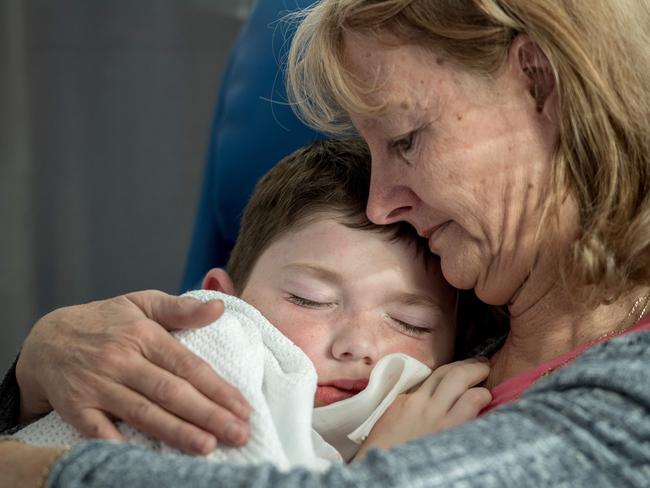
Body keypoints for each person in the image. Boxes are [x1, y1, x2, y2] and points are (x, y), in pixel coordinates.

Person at [2, 0, 650, 486]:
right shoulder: (469, 310)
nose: (380, 202)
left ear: (539, 83)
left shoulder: (630, 389)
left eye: (405, 140)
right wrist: (29, 379)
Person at [9, 139, 487, 467]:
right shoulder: (217, 346)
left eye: (412, 323)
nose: (356, 345)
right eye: (310, 299)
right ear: (220, 297)